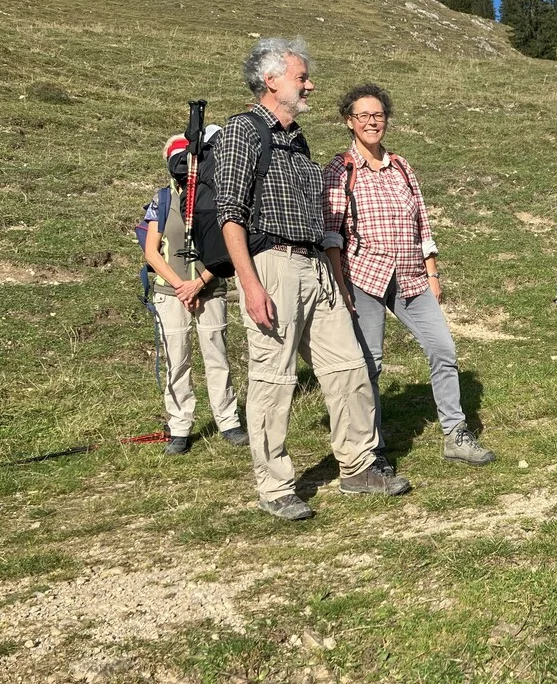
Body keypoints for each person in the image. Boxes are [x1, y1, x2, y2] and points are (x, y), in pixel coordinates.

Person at [216, 38, 410, 521]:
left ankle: (358, 467)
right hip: (272, 266)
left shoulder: (296, 138)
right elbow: (230, 215)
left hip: (317, 266)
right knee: (273, 378)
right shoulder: (242, 132)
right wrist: (251, 283)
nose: (310, 85)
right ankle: (276, 485)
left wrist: (335, 277)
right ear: (272, 80)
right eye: (302, 77)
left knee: (349, 365)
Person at [323, 83, 494, 466]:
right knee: (371, 364)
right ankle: (371, 449)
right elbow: (332, 233)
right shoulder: (341, 168)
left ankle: (455, 435)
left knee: (443, 350)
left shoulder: (402, 166)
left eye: (378, 115)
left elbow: (421, 221)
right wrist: (340, 285)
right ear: (349, 122)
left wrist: (432, 272)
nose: (372, 122)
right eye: (363, 115)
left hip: (411, 276)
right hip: (362, 276)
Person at [142, 132, 248, 455]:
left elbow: (226, 248)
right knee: (177, 360)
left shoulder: (215, 195)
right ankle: (179, 427)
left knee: (217, 356)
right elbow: (151, 252)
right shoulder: (162, 200)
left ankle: (228, 421)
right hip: (171, 294)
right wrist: (180, 285)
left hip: (210, 289)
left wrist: (198, 283)